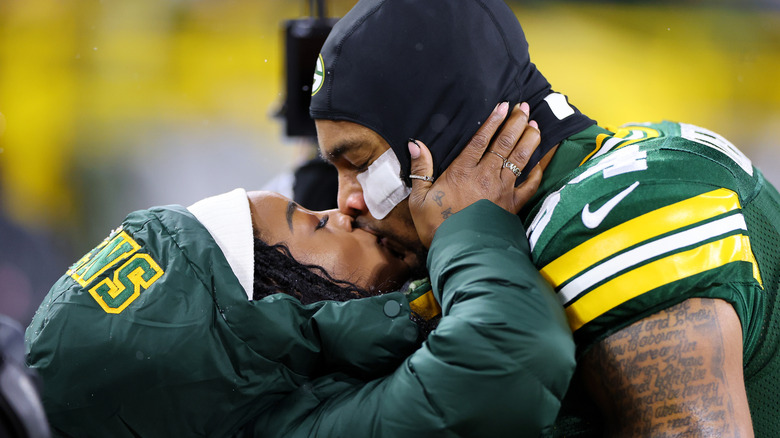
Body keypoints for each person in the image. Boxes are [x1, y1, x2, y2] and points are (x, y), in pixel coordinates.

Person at [306, 0, 780, 436]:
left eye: (363, 164)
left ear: (444, 131)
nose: (347, 200)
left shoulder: (616, 212)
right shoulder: (591, 181)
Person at [25, 107, 575, 437]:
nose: (346, 209)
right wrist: (471, 225)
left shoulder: (288, 402)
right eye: (313, 224)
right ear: (268, 308)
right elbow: (508, 354)